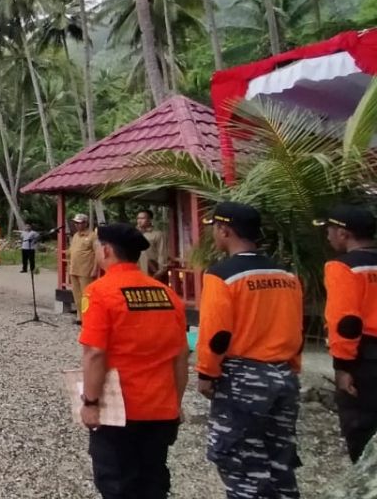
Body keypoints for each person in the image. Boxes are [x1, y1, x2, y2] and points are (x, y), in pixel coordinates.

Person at [196, 201, 303, 499]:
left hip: (243, 377)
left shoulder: (222, 275)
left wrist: (207, 371)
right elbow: (297, 328)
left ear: (224, 229)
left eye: (215, 230)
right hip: (284, 375)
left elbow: (216, 333)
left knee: (241, 459)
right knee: (279, 457)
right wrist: (293, 365)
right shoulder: (286, 274)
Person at [78, 223, 188, 498]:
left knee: (117, 484)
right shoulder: (167, 295)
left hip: (119, 410)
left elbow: (94, 353)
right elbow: (180, 356)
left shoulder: (100, 292)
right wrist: (176, 403)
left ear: (106, 250)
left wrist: (90, 403)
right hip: (161, 408)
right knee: (152, 482)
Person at [318, 204, 377, 463]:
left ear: (343, 234)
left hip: (365, 358)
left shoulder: (342, 267)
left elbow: (346, 322)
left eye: (329, 230)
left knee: (362, 430)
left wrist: (342, 367)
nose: (328, 236)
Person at [68, 214, 97, 325]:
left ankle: (88, 317)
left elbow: (96, 253)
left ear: (85, 223)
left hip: (86, 270)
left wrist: (94, 269)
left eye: (79, 222)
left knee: (86, 295)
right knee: (76, 294)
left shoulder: (92, 236)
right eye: (76, 223)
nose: (77, 225)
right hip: (74, 268)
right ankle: (80, 317)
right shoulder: (75, 235)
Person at [136, 210, 168, 280]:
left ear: (150, 220)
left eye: (143, 218)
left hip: (153, 268)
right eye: (138, 218)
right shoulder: (134, 234)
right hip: (138, 269)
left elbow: (162, 253)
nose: (139, 220)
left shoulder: (157, 234)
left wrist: (161, 270)